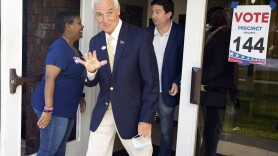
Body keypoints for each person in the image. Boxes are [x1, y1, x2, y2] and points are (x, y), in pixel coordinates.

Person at [79, 0, 159, 155]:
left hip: (133, 115)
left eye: (109, 12)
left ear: (118, 10)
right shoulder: (95, 41)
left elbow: (152, 82)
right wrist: (91, 72)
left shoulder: (139, 37)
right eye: (99, 15)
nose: (105, 19)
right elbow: (91, 81)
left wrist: (146, 118)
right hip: (104, 111)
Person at [31, 10, 86, 156]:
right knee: (48, 150)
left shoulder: (75, 50)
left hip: (67, 106)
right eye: (79, 23)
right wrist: (48, 109)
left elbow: (74, 76)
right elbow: (50, 78)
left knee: (60, 148)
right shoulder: (59, 48)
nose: (82, 26)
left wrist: (81, 96)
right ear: (68, 26)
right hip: (54, 108)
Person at [146, 0, 184, 155]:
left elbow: (185, 63)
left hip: (166, 92)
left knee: (166, 132)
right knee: (142, 127)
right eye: (153, 11)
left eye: (157, 12)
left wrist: (177, 81)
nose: (153, 15)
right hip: (147, 90)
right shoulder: (146, 33)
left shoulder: (180, 34)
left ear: (169, 14)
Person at [200, 9, 237, 156]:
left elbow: (218, 67)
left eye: (213, 18)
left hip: (216, 93)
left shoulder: (222, 37)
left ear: (220, 21)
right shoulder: (213, 35)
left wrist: (197, 77)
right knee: (208, 130)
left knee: (212, 131)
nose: (209, 20)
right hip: (210, 93)